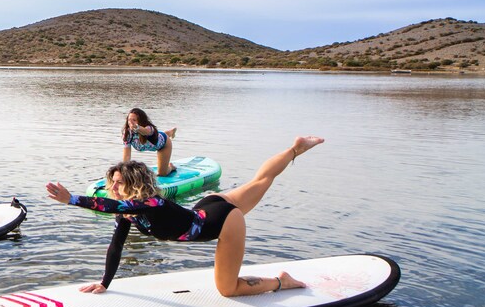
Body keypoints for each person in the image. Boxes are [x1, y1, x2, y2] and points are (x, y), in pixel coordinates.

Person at [46, 136, 325, 297]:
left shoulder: (149, 203)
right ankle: (295, 148)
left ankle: (281, 282)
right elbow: (115, 246)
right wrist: (105, 282)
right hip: (209, 206)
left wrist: (71, 199)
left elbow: (107, 206)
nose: (113, 188)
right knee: (261, 180)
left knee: (228, 290)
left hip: (223, 222)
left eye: (119, 183)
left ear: (135, 184)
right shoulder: (129, 213)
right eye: (113, 182)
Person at [121, 108, 178, 176]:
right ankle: (170, 132)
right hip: (155, 138)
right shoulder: (127, 134)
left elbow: (145, 132)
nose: (131, 122)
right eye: (129, 120)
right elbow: (126, 156)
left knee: (162, 173)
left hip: (164, 145)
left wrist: (136, 127)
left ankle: (171, 167)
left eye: (134, 120)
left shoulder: (149, 129)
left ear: (141, 121)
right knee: (157, 136)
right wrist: (123, 173)